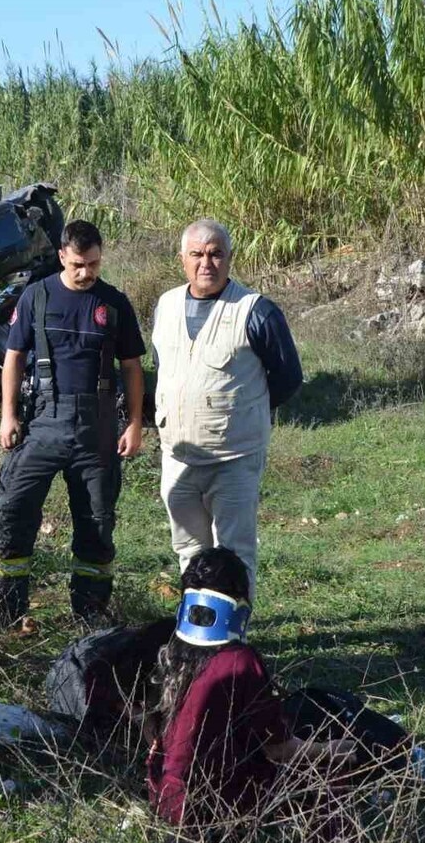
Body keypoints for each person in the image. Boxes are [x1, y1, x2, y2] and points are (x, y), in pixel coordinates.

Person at [0, 220, 146, 627]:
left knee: (96, 521)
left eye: (93, 264)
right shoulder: (37, 297)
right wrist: (8, 416)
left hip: (98, 427)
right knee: (14, 509)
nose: (86, 272)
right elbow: (14, 358)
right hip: (43, 421)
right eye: (78, 264)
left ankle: (89, 620)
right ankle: (7, 616)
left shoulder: (114, 304)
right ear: (61, 256)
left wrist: (134, 424)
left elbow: (131, 366)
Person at [146, 547, 358, 839]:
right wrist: (331, 750)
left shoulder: (170, 649)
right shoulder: (240, 661)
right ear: (238, 601)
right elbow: (279, 750)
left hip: (168, 800)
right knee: (330, 774)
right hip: (215, 808)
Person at [151, 219, 302, 594]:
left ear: (230, 258)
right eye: (197, 254)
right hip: (178, 456)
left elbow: (287, 378)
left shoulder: (256, 311)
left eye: (216, 254)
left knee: (234, 554)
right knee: (188, 551)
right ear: (182, 259)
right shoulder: (166, 306)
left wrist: (241, 415)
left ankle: (234, 638)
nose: (207, 263)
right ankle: (197, 635)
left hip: (234, 458)